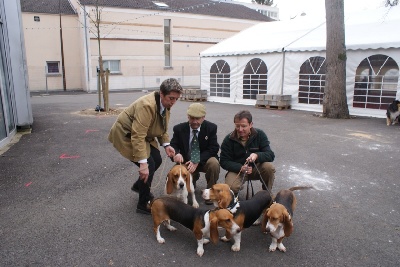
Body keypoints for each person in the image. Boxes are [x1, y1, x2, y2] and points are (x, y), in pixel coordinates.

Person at [108, 78, 183, 214]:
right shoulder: (146, 105)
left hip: (141, 135)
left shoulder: (165, 105)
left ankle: (139, 186)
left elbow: (162, 126)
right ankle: (143, 204)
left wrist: (166, 145)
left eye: (176, 99)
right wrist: (143, 164)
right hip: (126, 135)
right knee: (149, 165)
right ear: (161, 93)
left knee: (157, 160)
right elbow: (137, 135)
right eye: (171, 98)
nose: (173, 102)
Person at [170, 103, 220, 204]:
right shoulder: (178, 129)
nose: (194, 122)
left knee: (214, 163)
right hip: (187, 162)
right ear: (188, 116)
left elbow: (213, 148)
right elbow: (173, 145)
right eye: (192, 118)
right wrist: (176, 154)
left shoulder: (211, 128)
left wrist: (197, 160)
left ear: (203, 117)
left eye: (198, 119)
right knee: (176, 174)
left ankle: (210, 192)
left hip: (204, 160)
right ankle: (192, 180)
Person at [219, 110, 276, 195]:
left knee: (269, 168)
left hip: (256, 168)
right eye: (237, 126)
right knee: (230, 187)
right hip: (238, 170)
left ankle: (266, 194)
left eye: (244, 126)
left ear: (251, 124)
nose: (240, 129)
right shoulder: (229, 139)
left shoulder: (260, 135)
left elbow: (270, 155)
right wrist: (241, 168)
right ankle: (234, 196)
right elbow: (223, 161)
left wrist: (257, 155)